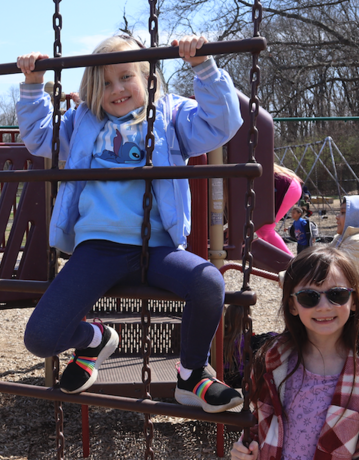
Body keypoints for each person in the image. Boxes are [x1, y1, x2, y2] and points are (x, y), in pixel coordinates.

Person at [16, 33, 244, 412]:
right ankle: (94, 339)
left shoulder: (171, 115)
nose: (117, 88)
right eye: (105, 82)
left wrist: (203, 67)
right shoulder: (82, 122)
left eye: (126, 77)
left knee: (208, 282)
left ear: (147, 77)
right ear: (92, 89)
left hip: (157, 248)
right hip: (98, 249)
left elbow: (222, 123)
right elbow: (41, 139)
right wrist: (32, 85)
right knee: (40, 338)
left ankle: (191, 376)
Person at [231, 246, 359, 460]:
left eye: (336, 294)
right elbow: (262, 432)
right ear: (293, 304)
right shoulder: (276, 361)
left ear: (353, 299)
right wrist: (246, 454)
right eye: (310, 297)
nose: (324, 306)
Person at [257, 163, 304, 256]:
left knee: (265, 228)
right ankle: (275, 259)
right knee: (259, 228)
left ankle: (292, 262)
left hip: (288, 188)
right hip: (288, 186)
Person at [331, 196, 359, 289]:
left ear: (358, 215)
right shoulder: (341, 238)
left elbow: (330, 273)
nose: (337, 217)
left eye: (343, 213)